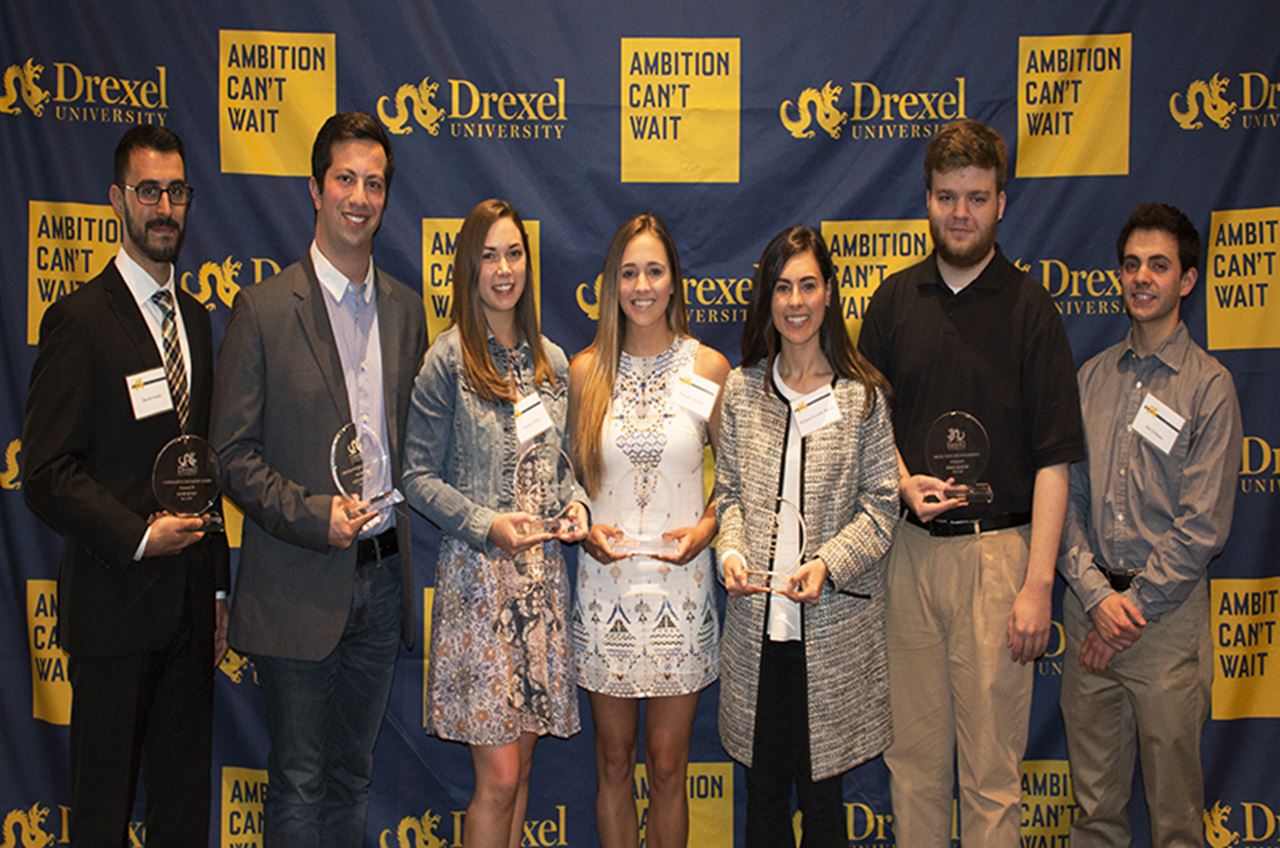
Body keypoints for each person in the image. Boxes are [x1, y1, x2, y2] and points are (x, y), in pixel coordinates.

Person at [856, 118, 1084, 846]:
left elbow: (1055, 459)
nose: (961, 213)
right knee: (914, 768)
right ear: (926, 200)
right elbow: (866, 429)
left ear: (1002, 204)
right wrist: (898, 481)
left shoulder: (1032, 310)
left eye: (977, 198)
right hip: (908, 556)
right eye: (948, 197)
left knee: (992, 776)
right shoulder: (891, 304)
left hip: (1000, 560)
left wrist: (1039, 585)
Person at [211, 112, 427, 846]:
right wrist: (312, 515)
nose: (359, 197)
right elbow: (230, 455)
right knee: (299, 783)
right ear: (314, 188)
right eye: (345, 179)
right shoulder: (265, 310)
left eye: (374, 183)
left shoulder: (406, 311)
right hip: (299, 581)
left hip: (384, 579)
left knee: (352, 778)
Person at [22, 125, 229, 845]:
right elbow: (46, 474)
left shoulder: (198, 321)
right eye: (149, 192)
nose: (165, 207)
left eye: (176, 192)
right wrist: (140, 536)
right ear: (118, 200)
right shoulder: (78, 320)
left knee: (182, 811)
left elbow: (203, 466)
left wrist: (220, 588)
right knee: (103, 813)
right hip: (113, 608)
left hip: (191, 615)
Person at [403, 198, 588, 848]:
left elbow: (559, 472)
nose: (503, 269)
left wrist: (577, 510)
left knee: (525, 766)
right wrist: (486, 524)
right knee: (500, 776)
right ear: (468, 268)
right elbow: (415, 476)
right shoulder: (447, 362)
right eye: (489, 256)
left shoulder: (553, 363)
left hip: (542, 588)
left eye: (514, 254)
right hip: (479, 590)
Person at [1058, 203, 1241, 846]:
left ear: (1186, 280)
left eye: (1158, 266)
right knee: (1095, 815)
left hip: (1163, 626)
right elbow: (1065, 504)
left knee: (1175, 822)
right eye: (1131, 265)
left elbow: (1202, 526)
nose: (1141, 278)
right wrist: (1096, 599)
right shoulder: (1089, 379)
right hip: (1089, 616)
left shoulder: (1210, 388)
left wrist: (1128, 611)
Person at [717, 226, 899, 846]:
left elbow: (881, 507)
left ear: (829, 295)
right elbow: (731, 497)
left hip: (831, 637)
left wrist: (828, 563)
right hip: (757, 636)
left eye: (808, 286)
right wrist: (733, 551)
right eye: (783, 287)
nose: (795, 302)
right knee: (763, 803)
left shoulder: (863, 397)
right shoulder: (742, 391)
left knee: (825, 811)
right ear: (767, 298)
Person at [569, 213, 729, 847]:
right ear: (612, 284)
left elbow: (738, 482)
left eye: (654, 271)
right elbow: (568, 484)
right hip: (603, 594)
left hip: (681, 594)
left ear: (674, 282)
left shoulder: (709, 369)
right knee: (613, 765)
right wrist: (582, 529)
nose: (642, 286)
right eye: (629, 272)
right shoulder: (586, 372)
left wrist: (708, 530)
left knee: (667, 768)